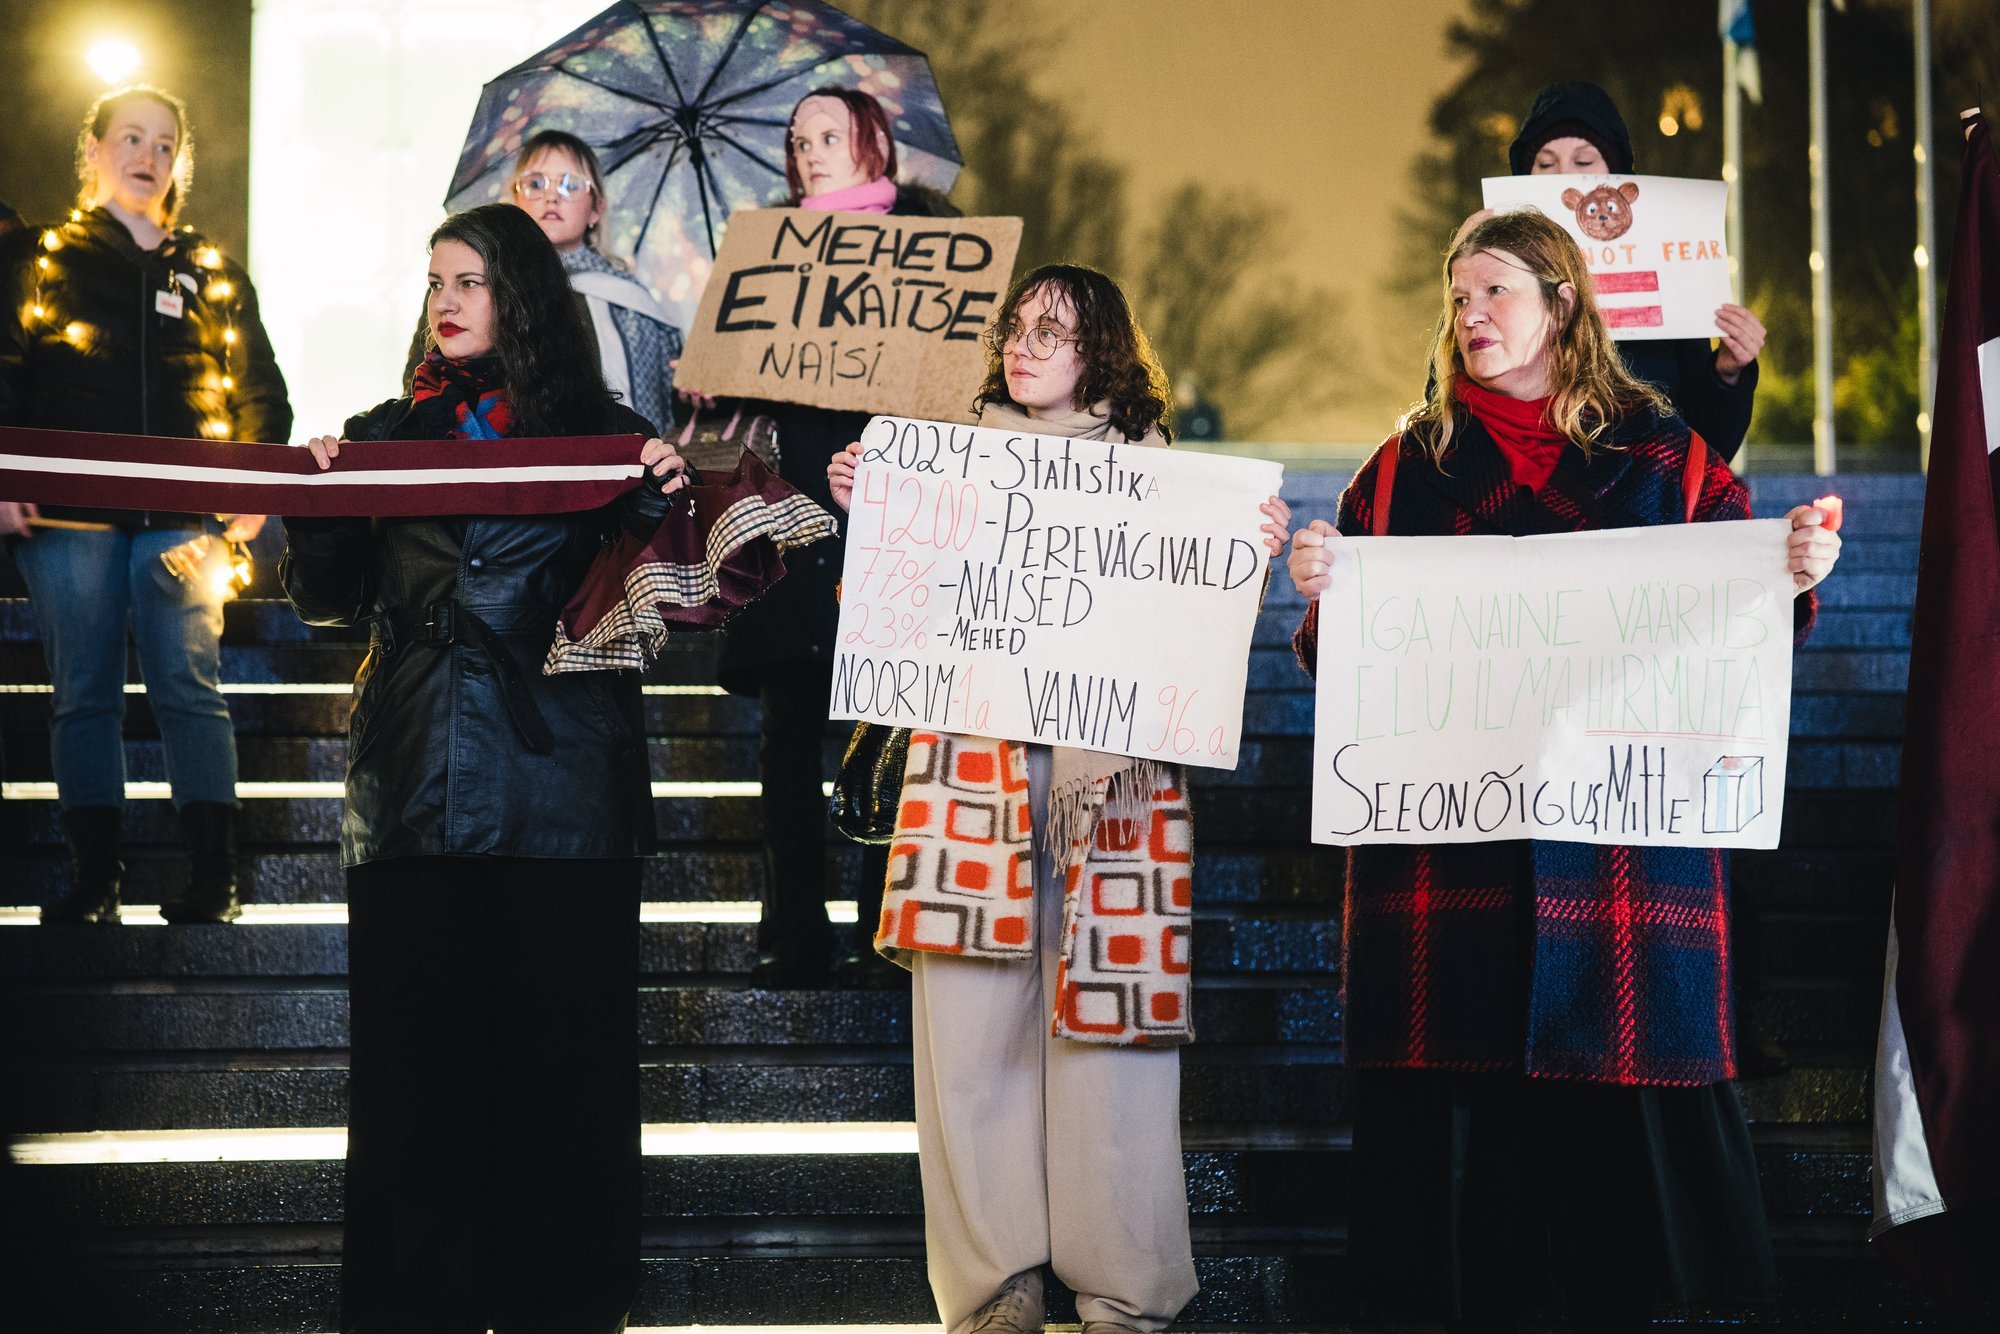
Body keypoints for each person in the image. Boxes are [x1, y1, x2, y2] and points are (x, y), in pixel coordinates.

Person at [1284, 209, 1840, 1330]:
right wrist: (1318, 592)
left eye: (1493, 292)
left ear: (1560, 303)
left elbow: (1740, 624)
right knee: (1472, 1200)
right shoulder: (1397, 471)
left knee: (1602, 1220)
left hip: (1616, 875)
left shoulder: (1668, 457)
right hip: (1452, 865)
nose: (1470, 315)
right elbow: (1345, 661)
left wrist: (1792, 569)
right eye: (1456, 297)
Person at [827, 263, 1291, 1334]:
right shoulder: (940, 455)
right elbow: (889, 618)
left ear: (1103, 354)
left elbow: (1191, 638)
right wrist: (872, 509)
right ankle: (995, 1287)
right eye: (1016, 326)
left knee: (1109, 1040)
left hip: (1110, 788)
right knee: (967, 1036)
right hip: (968, 775)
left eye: (1054, 329)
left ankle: (1122, 1286)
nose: (1025, 344)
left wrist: (1244, 555)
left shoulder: (1157, 475)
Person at [280, 203, 688, 1333]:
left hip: (565, 783)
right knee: (414, 1084)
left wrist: (662, 492)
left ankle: (562, 1306)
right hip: (414, 779)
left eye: (469, 279)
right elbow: (320, 601)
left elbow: (675, 592)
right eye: (434, 282)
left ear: (521, 294)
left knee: (568, 1078)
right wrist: (313, 503)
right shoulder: (379, 431)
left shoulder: (610, 432)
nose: (446, 301)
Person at [0, 85, 291, 924]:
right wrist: (9, 476)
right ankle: (95, 879)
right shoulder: (40, 258)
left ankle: (215, 878)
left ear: (180, 162)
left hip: (180, 515)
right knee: (82, 691)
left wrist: (246, 487)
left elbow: (260, 391)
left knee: (189, 685)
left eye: (165, 144)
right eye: (130, 138)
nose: (147, 156)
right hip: (67, 516)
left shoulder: (212, 274)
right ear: (91, 150)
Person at [712, 86, 957, 987]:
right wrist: (715, 379)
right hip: (793, 533)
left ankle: (881, 923)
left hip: (897, 535)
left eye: (827, 135)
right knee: (786, 737)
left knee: (887, 732)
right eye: (796, 139)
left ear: (875, 143)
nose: (808, 151)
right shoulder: (764, 265)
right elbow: (732, 426)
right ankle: (794, 930)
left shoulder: (936, 256)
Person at [1457, 81, 1765, 462]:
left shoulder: (1669, 278)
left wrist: (1727, 376)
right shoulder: (1491, 277)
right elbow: (1446, 413)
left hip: (1644, 500)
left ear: (1618, 178)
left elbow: (1707, 451)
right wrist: (1466, 274)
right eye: (1545, 163)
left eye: (1583, 163)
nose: (1561, 177)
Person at [507, 128, 682, 434]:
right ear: (516, 200)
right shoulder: (486, 286)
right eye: (535, 183)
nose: (551, 195)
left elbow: (670, 405)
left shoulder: (628, 298)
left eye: (571, 184)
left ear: (596, 209)